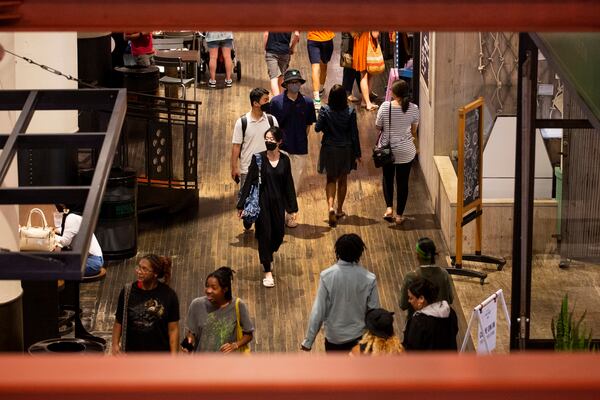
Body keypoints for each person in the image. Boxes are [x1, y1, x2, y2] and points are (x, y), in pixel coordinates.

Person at [237, 127, 298, 288]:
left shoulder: (285, 160)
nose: (269, 142)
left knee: (278, 235)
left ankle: (269, 255)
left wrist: (292, 208)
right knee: (264, 235)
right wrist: (241, 205)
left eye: (272, 139)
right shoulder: (258, 159)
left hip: (278, 204)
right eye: (267, 139)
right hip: (262, 203)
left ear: (279, 142)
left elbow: (288, 184)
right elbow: (249, 181)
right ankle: (267, 270)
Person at [301, 234, 380, 352]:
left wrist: (308, 341)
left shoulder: (326, 276)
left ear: (337, 251)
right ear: (359, 252)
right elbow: (374, 311)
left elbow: (318, 311)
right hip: (360, 338)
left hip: (334, 339)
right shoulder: (369, 278)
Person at [270, 69, 316, 220]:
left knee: (294, 184)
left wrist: (301, 138)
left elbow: (308, 126)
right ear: (286, 85)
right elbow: (272, 127)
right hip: (281, 149)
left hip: (300, 149)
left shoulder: (308, 103)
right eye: (292, 82)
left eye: (297, 82)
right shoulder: (276, 102)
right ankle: (280, 213)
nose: (295, 85)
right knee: (279, 183)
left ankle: (288, 213)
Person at [231, 88, 279, 230]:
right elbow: (236, 146)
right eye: (265, 100)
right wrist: (234, 167)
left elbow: (277, 142)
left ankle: (262, 225)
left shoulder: (271, 120)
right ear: (255, 103)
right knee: (248, 199)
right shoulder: (242, 122)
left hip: (268, 168)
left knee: (265, 200)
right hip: (248, 169)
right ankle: (248, 218)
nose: (268, 102)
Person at [112, 254, 180, 354]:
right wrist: (115, 344)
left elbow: (173, 329)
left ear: (155, 273)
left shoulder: (169, 295)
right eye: (139, 267)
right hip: (132, 355)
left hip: (159, 357)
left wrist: (174, 356)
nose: (139, 272)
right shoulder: (127, 291)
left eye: (144, 269)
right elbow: (119, 321)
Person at [315, 84, 361, 227]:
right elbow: (354, 134)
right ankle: (340, 210)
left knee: (330, 179)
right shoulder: (350, 111)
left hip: (329, 148)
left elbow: (317, 128)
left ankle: (330, 207)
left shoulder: (325, 110)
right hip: (346, 149)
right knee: (342, 180)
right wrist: (358, 153)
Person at [376, 79, 419, 224]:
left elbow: (378, 126)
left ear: (394, 94)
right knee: (403, 182)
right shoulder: (414, 108)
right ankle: (400, 215)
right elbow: (414, 131)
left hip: (388, 151)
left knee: (387, 179)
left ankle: (389, 208)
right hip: (406, 151)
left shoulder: (385, 106)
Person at [184, 267, 254, 352]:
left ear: (225, 289)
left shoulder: (238, 306)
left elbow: (249, 334)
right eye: (207, 286)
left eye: (214, 288)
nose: (208, 290)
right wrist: (187, 346)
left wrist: (235, 345)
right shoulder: (196, 304)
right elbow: (191, 333)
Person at [399, 237, 454, 317]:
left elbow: (403, 305)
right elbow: (450, 299)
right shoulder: (444, 274)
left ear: (417, 255)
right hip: (441, 323)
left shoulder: (410, 277)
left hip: (418, 324)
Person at [402, 276, 458, 351]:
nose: (409, 301)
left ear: (421, 299)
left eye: (411, 298)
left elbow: (412, 350)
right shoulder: (450, 312)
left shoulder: (419, 322)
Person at [53, 204, 103, 277]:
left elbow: (65, 242)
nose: (57, 209)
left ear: (63, 205)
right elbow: (70, 230)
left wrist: (50, 236)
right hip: (93, 259)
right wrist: (55, 230)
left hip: (91, 262)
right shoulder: (75, 215)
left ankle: (69, 288)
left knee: (55, 269)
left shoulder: (71, 217)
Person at [264, 31, 300, 96]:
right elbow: (297, 35)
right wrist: (292, 47)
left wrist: (265, 48)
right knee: (281, 76)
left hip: (271, 51)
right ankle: (281, 99)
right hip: (285, 52)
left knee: (274, 78)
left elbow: (266, 34)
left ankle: (278, 102)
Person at [306, 31, 335, 109]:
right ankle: (320, 90)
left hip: (313, 38)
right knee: (323, 65)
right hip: (327, 38)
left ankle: (317, 99)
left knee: (315, 68)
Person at [352, 31, 380, 111]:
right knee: (366, 75)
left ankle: (365, 101)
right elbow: (375, 34)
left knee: (364, 74)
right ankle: (368, 103)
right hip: (368, 44)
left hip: (360, 42)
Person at [340, 32, 361, 103]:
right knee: (350, 68)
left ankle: (364, 90)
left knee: (356, 67)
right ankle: (346, 92)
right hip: (350, 41)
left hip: (353, 40)